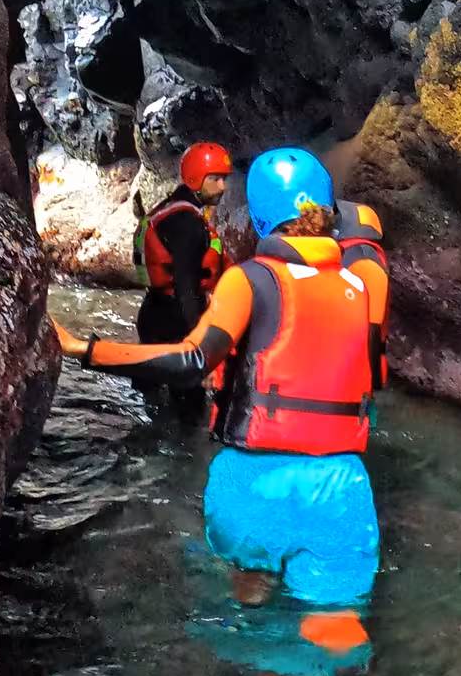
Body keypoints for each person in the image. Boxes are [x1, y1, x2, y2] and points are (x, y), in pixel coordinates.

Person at [56, 148, 379, 605]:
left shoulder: (251, 280)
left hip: (254, 481)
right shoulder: (360, 286)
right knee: (334, 631)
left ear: (261, 216)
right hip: (340, 486)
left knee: (249, 610)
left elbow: (192, 362)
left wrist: (84, 349)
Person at [134, 141, 233, 345]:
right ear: (194, 178)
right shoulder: (188, 224)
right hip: (173, 323)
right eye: (215, 179)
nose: (222, 187)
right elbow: (185, 284)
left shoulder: (171, 207)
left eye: (224, 178)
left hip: (154, 312)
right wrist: (197, 338)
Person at [334, 197, 389, 391]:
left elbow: (371, 330)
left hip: (353, 371)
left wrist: (370, 382)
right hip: (349, 367)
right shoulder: (363, 256)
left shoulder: (363, 261)